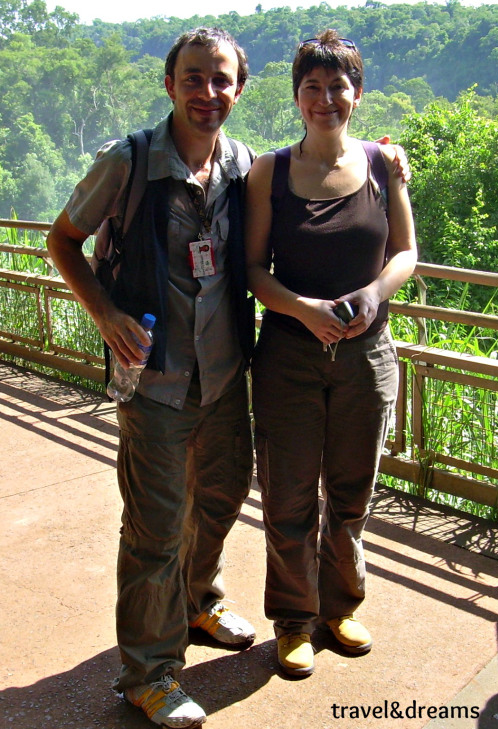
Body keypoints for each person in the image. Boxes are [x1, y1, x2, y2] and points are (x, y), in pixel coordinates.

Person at [47, 27, 257, 729]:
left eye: (220, 79)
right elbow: (61, 239)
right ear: (169, 85)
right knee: (154, 528)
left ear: (239, 88)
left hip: (225, 378)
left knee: (221, 499)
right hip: (156, 381)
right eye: (193, 78)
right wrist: (102, 311)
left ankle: (198, 600)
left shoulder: (242, 165)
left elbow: (309, 175)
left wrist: (383, 158)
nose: (207, 92)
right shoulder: (129, 161)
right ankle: (150, 672)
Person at [245, 29, 417, 678]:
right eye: (312, 88)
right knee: (288, 495)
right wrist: (304, 310)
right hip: (288, 355)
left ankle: (338, 608)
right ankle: (291, 621)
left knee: (350, 494)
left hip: (366, 355)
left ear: (357, 92)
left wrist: (373, 295)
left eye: (337, 86)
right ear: (296, 98)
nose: (325, 98)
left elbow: (404, 251)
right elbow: (253, 269)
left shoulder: (380, 164)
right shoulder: (271, 171)